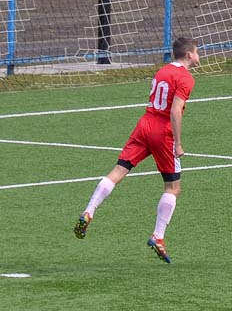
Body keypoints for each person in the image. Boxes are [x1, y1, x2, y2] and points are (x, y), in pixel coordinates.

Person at [73, 37, 200, 263]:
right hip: (162, 131)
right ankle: (158, 236)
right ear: (189, 54)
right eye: (197, 52)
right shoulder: (186, 78)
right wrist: (178, 142)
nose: (199, 56)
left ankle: (89, 210)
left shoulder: (161, 72)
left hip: (144, 123)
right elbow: (175, 111)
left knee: (119, 170)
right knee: (172, 187)